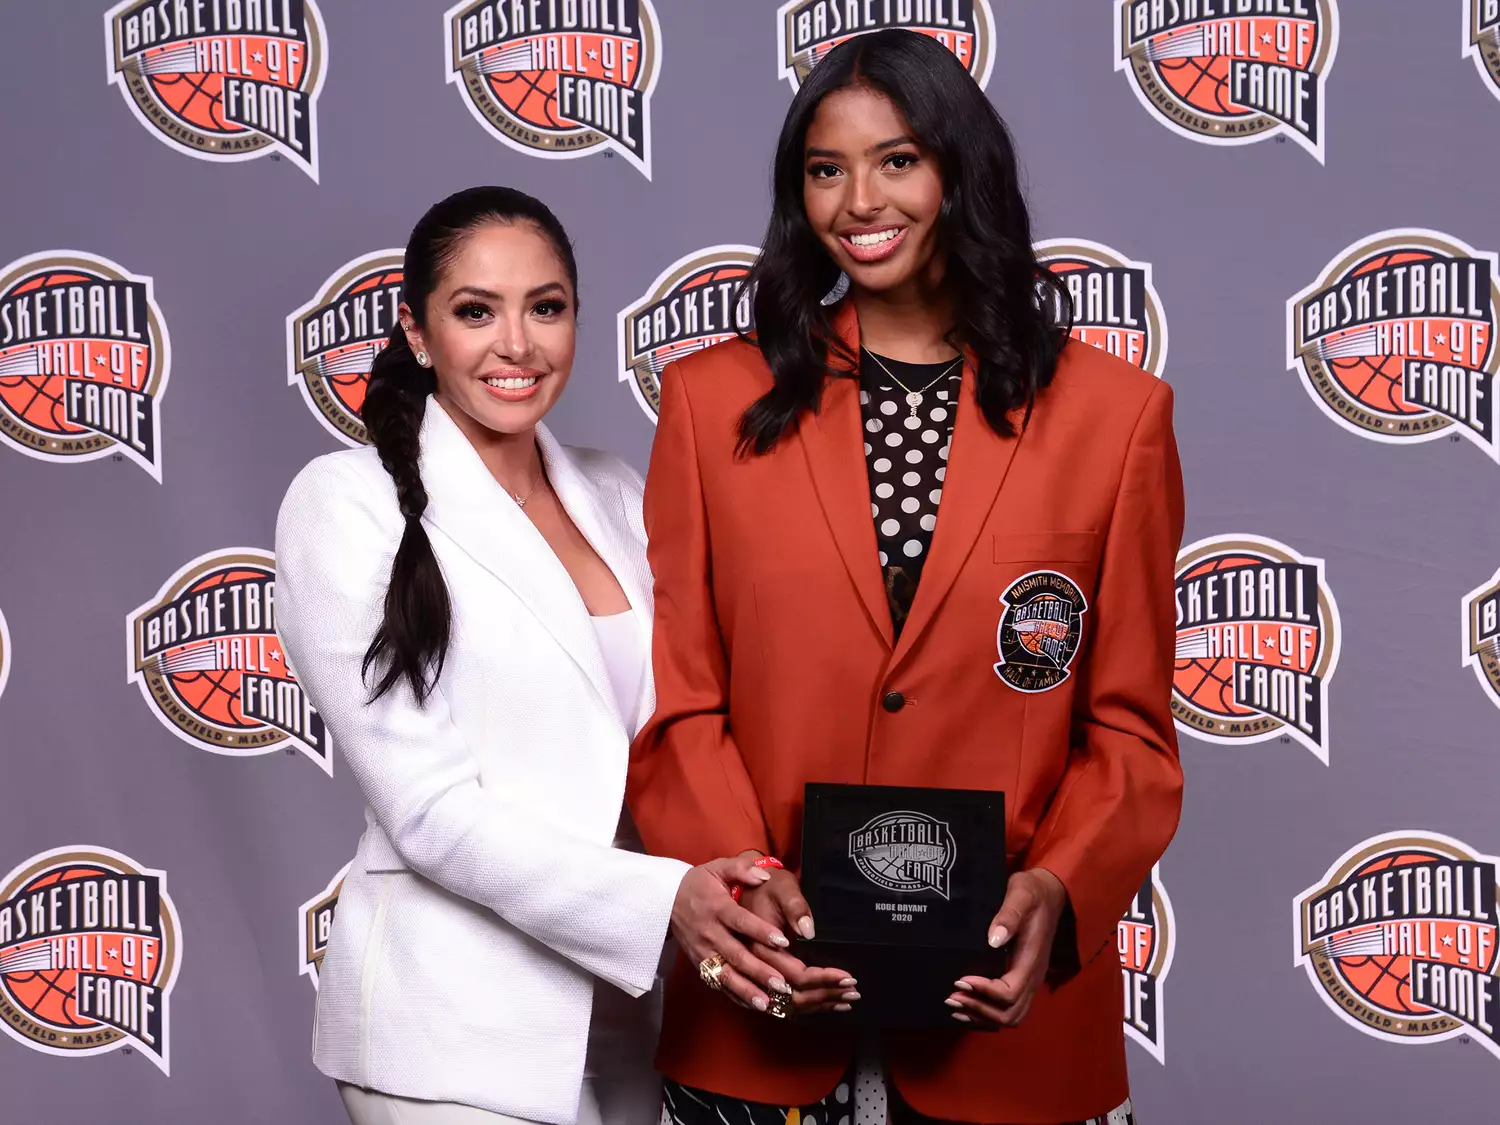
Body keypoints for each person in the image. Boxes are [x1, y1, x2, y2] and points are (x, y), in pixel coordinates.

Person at [627, 30, 1184, 1125]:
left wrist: (1059, 895)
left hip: (1010, 1033)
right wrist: (741, 880)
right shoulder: (710, 402)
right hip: (763, 1017)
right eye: (824, 169)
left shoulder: (1115, 419)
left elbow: (1130, 732)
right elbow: (681, 699)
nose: (857, 199)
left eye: (897, 160)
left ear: (959, 171)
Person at [275, 187, 797, 1125]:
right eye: (476, 310)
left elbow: (688, 727)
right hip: (447, 1026)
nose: (517, 343)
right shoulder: (343, 502)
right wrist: (667, 894)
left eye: (545, 307)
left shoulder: (617, 489)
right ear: (418, 331)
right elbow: (428, 813)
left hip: (632, 1007)